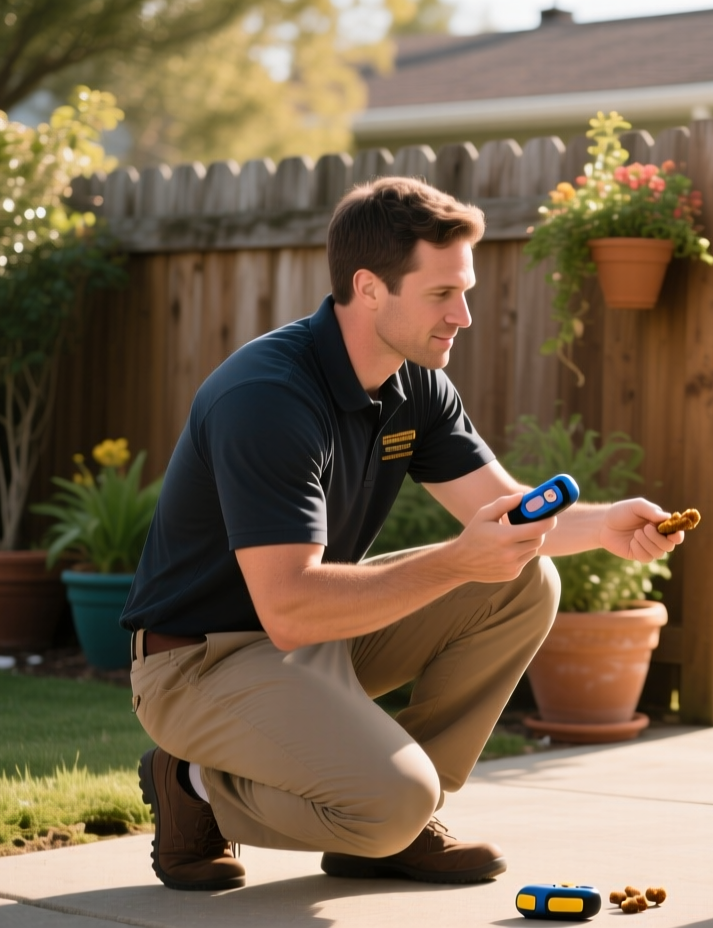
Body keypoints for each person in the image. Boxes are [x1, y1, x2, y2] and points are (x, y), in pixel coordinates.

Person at [120, 176, 683, 891]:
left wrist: (605, 525)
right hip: (200, 663)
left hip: (313, 637)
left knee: (525, 575)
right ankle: (196, 784)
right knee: (392, 801)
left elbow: (508, 517)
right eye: (443, 294)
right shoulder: (267, 397)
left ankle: (389, 818)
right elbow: (288, 609)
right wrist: (455, 562)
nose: (465, 315)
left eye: (465, 290)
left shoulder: (413, 384)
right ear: (370, 287)